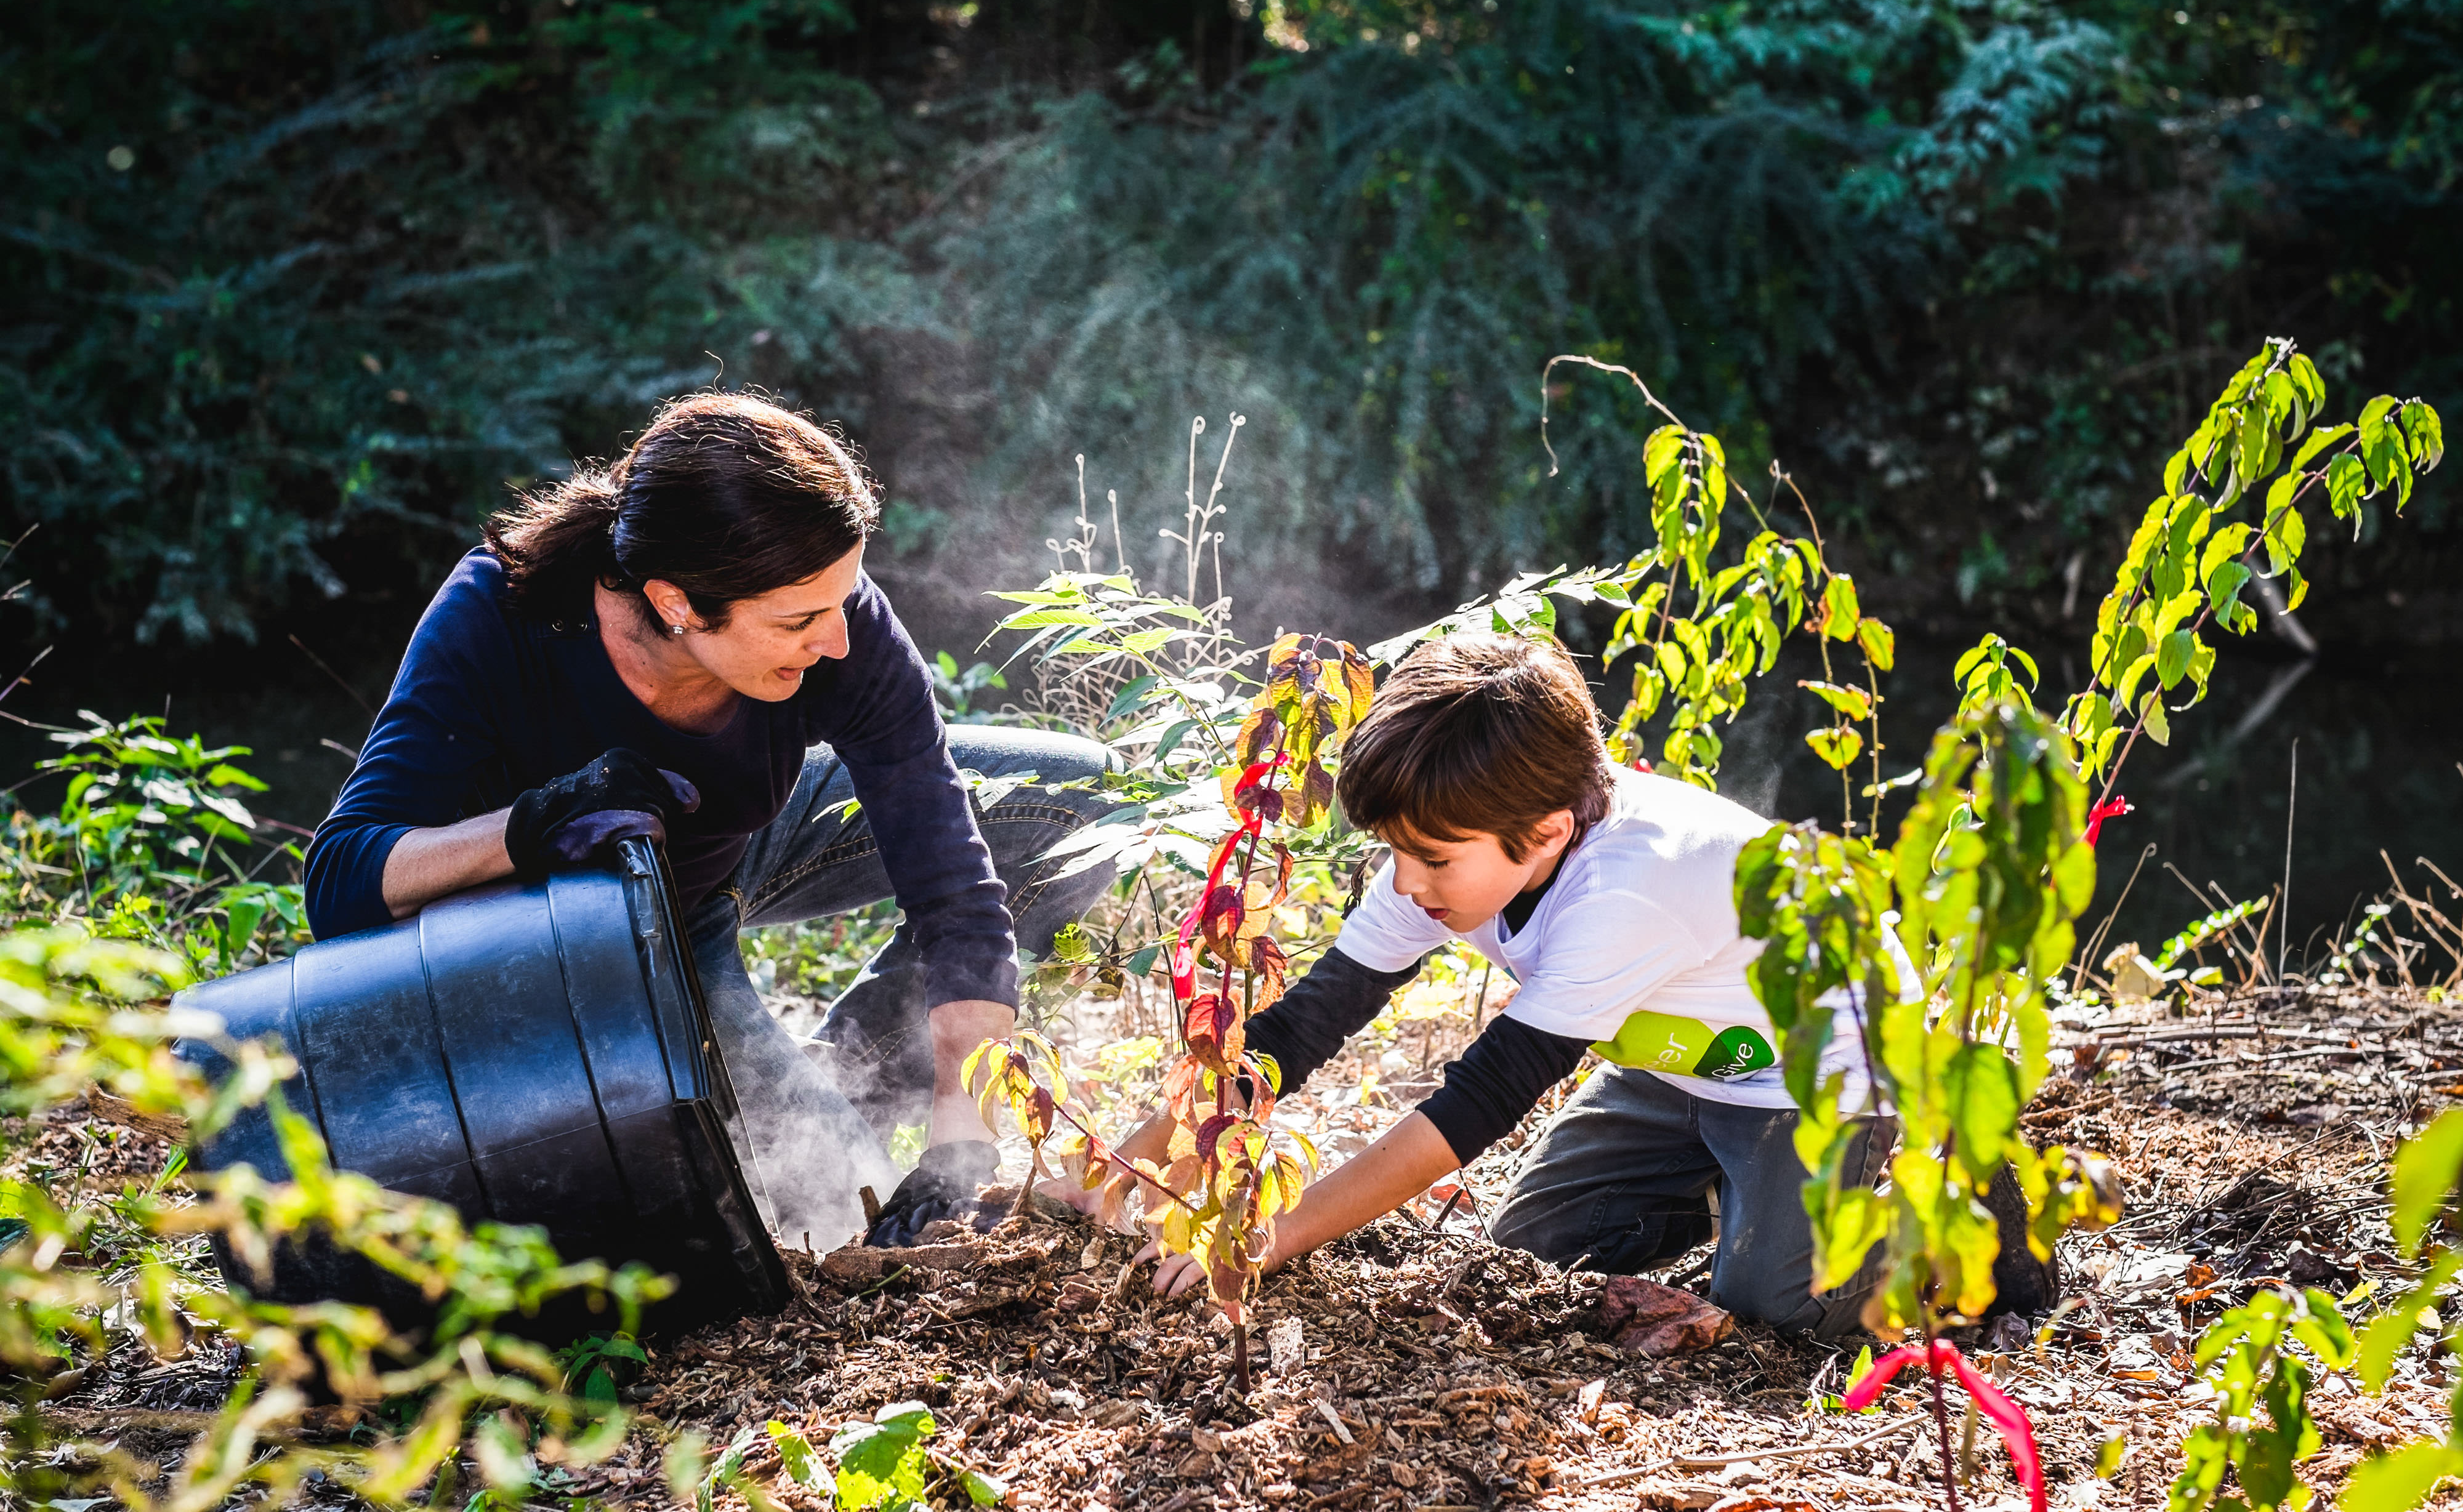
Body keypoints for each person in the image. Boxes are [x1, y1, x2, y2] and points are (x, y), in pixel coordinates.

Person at [305, 393, 1115, 1250]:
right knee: (836, 1200)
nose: (839, 640)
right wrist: (530, 825)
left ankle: (854, 1080)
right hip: (605, 944)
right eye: (801, 620)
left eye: (845, 599)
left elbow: (949, 868)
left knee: (1081, 812)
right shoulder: (500, 618)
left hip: (734, 840)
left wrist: (963, 1118)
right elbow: (342, 881)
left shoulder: (830, 615)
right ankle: (818, 1120)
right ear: (677, 601)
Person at [1052, 632, 1894, 1337]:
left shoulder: (1630, 890)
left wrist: (1275, 1234)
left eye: (1431, 860)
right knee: (1531, 1252)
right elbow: (1304, 1028)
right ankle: (1739, 1194)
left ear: (1548, 832)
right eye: (1395, 849)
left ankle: (1933, 1199)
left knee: (1784, 1316)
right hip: (1686, 1059)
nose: (1406, 881)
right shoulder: (1455, 844)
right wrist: (1132, 1162)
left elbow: (1476, 1104)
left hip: (1829, 1065)